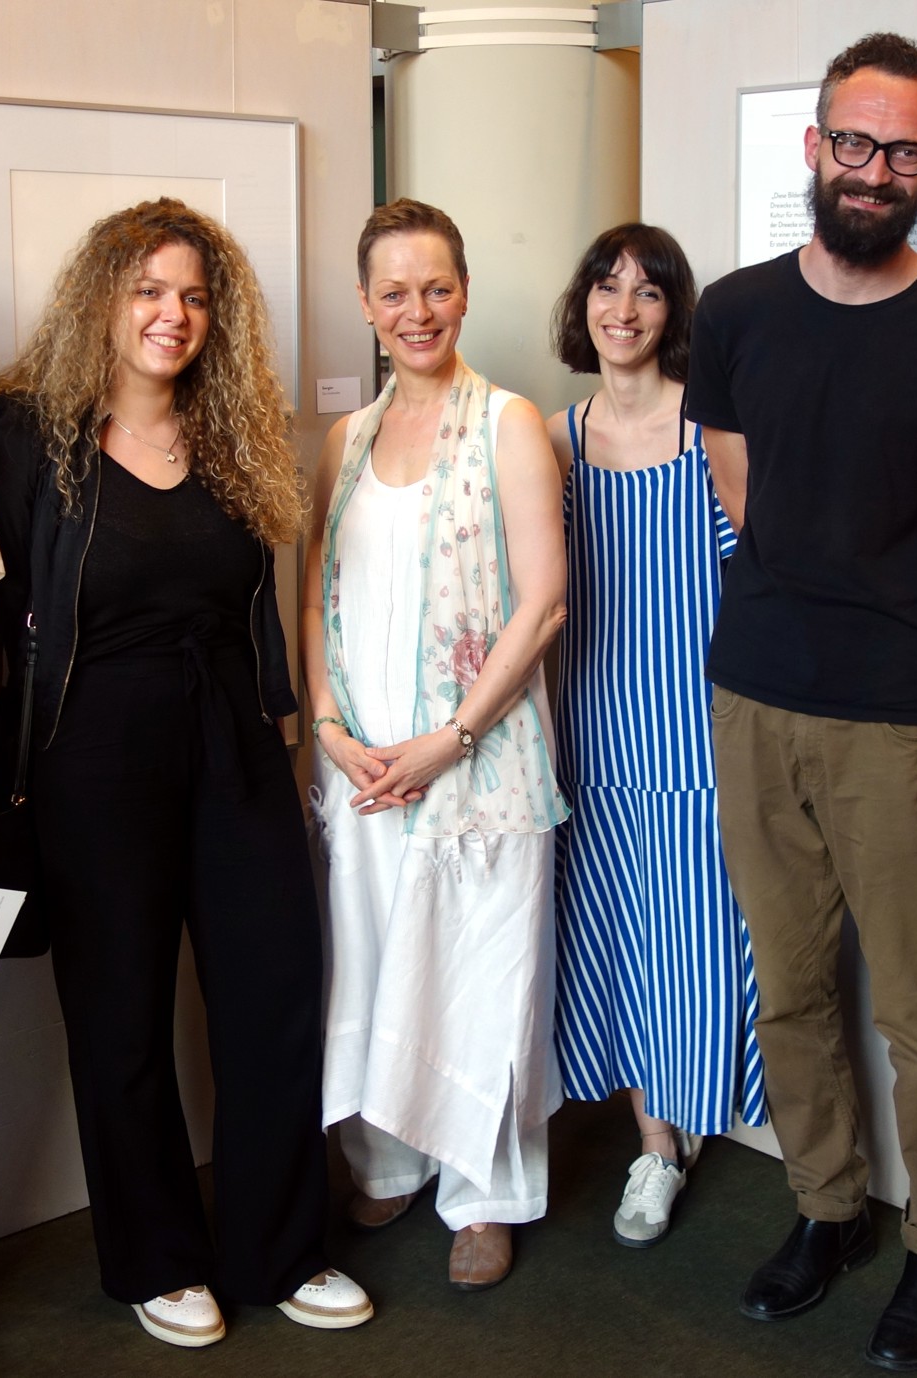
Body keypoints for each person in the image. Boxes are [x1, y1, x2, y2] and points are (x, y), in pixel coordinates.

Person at [684, 31, 917, 1370]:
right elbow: (739, 490)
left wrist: (881, 621)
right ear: (815, 145)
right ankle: (826, 1207)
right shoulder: (734, 312)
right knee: (787, 987)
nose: (874, 170)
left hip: (897, 708)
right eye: (854, 141)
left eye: (903, 152)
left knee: (915, 1000)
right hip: (755, 690)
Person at [0, 199, 370, 1347]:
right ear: (102, 298)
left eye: (194, 296)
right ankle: (156, 1257)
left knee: (274, 992)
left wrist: (287, 727)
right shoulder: (26, 431)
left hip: (234, 740)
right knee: (122, 1013)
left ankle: (279, 1247)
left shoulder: (232, 428)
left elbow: (257, 608)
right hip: (91, 752)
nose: (172, 315)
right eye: (148, 289)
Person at [304, 199, 569, 1292]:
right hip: (363, 764)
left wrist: (450, 739)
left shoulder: (510, 422)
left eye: (437, 288)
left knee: (481, 978)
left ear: (464, 293)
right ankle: (390, 1158)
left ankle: (484, 1191)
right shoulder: (345, 439)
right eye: (395, 292)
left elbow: (544, 603)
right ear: (366, 306)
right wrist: (328, 725)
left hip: (477, 764)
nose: (418, 311)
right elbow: (313, 597)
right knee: (374, 964)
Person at [545, 223, 768, 1249]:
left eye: (646, 290)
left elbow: (760, 576)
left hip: (700, 735)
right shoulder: (555, 437)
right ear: (582, 304)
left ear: (674, 310)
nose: (622, 309)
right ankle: (656, 1144)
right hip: (591, 732)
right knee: (623, 942)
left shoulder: (711, 430)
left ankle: (701, 1114)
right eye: (606, 287)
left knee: (703, 944)